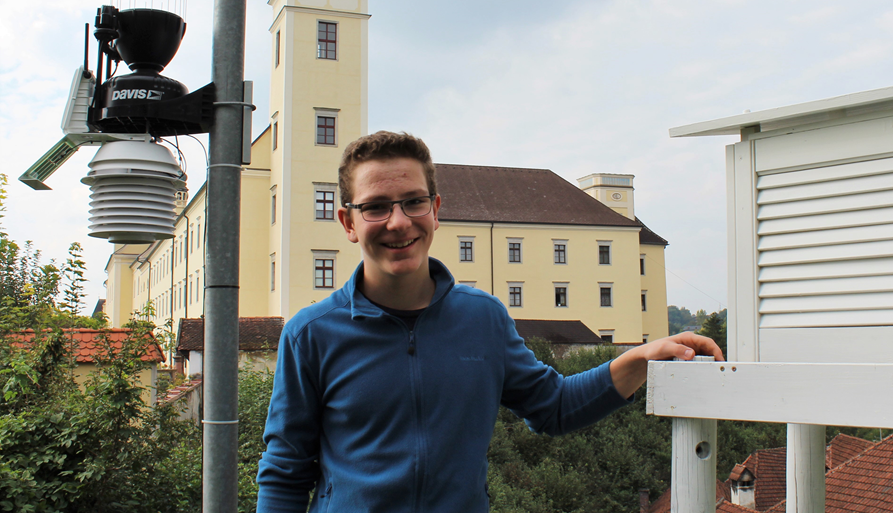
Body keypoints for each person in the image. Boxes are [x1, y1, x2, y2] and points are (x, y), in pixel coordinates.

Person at [255, 131, 722, 512]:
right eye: (376, 206)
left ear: (436, 211)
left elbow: (553, 407)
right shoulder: (311, 334)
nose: (398, 222)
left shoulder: (483, 318)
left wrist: (641, 357)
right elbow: (285, 473)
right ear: (348, 223)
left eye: (413, 202)